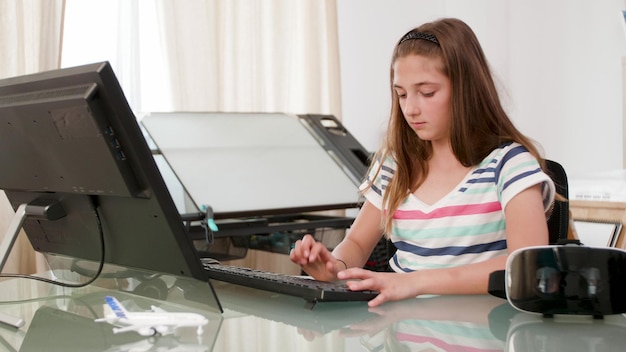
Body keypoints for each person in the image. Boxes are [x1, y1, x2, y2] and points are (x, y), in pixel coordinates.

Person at [289, 17, 556, 307]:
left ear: (465, 89)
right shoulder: (395, 164)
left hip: (485, 333)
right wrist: (334, 267)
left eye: (427, 93)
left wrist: (415, 282)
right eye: (401, 94)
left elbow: (528, 265)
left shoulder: (510, 165)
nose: (410, 109)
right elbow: (355, 244)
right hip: (403, 331)